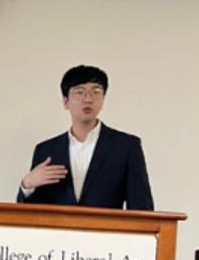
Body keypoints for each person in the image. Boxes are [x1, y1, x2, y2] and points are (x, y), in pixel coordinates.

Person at [15, 65, 154, 211]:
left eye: (96, 91)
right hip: (58, 233)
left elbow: (141, 206)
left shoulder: (126, 146)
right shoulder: (46, 150)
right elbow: (33, 213)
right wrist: (26, 185)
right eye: (79, 92)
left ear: (103, 99)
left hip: (107, 232)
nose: (88, 99)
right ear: (65, 101)